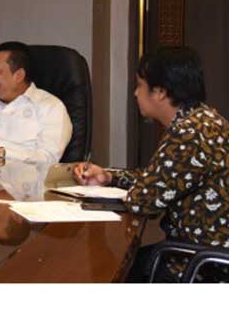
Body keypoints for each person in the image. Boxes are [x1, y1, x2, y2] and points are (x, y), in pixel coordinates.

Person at [73, 46, 229, 282]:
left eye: (140, 85)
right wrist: (109, 177)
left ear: (160, 92)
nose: (135, 93)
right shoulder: (204, 119)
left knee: (105, 270)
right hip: (206, 252)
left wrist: (124, 190)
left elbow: (144, 202)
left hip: (200, 266)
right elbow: (159, 179)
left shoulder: (188, 134)